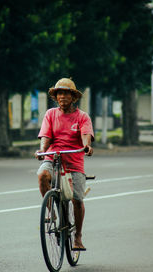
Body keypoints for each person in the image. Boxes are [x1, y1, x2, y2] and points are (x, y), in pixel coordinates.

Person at [35, 78, 94, 250]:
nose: (62, 97)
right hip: (53, 159)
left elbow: (86, 136)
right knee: (42, 175)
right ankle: (51, 212)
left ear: (73, 97)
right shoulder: (50, 114)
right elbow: (45, 136)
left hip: (74, 162)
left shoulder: (82, 117)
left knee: (77, 199)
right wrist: (42, 150)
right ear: (56, 97)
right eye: (59, 93)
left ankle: (78, 236)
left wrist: (86, 147)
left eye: (66, 93)